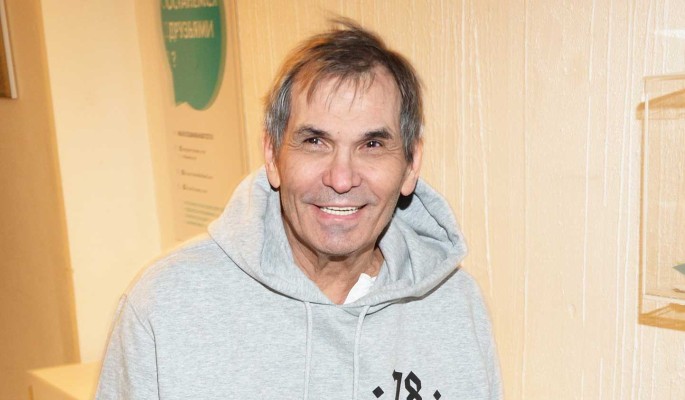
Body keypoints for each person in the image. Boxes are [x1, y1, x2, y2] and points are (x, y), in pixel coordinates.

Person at [96, 19, 502, 400]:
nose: (341, 179)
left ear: (411, 165)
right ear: (272, 155)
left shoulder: (455, 305)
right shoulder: (165, 307)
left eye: (372, 145)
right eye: (315, 142)